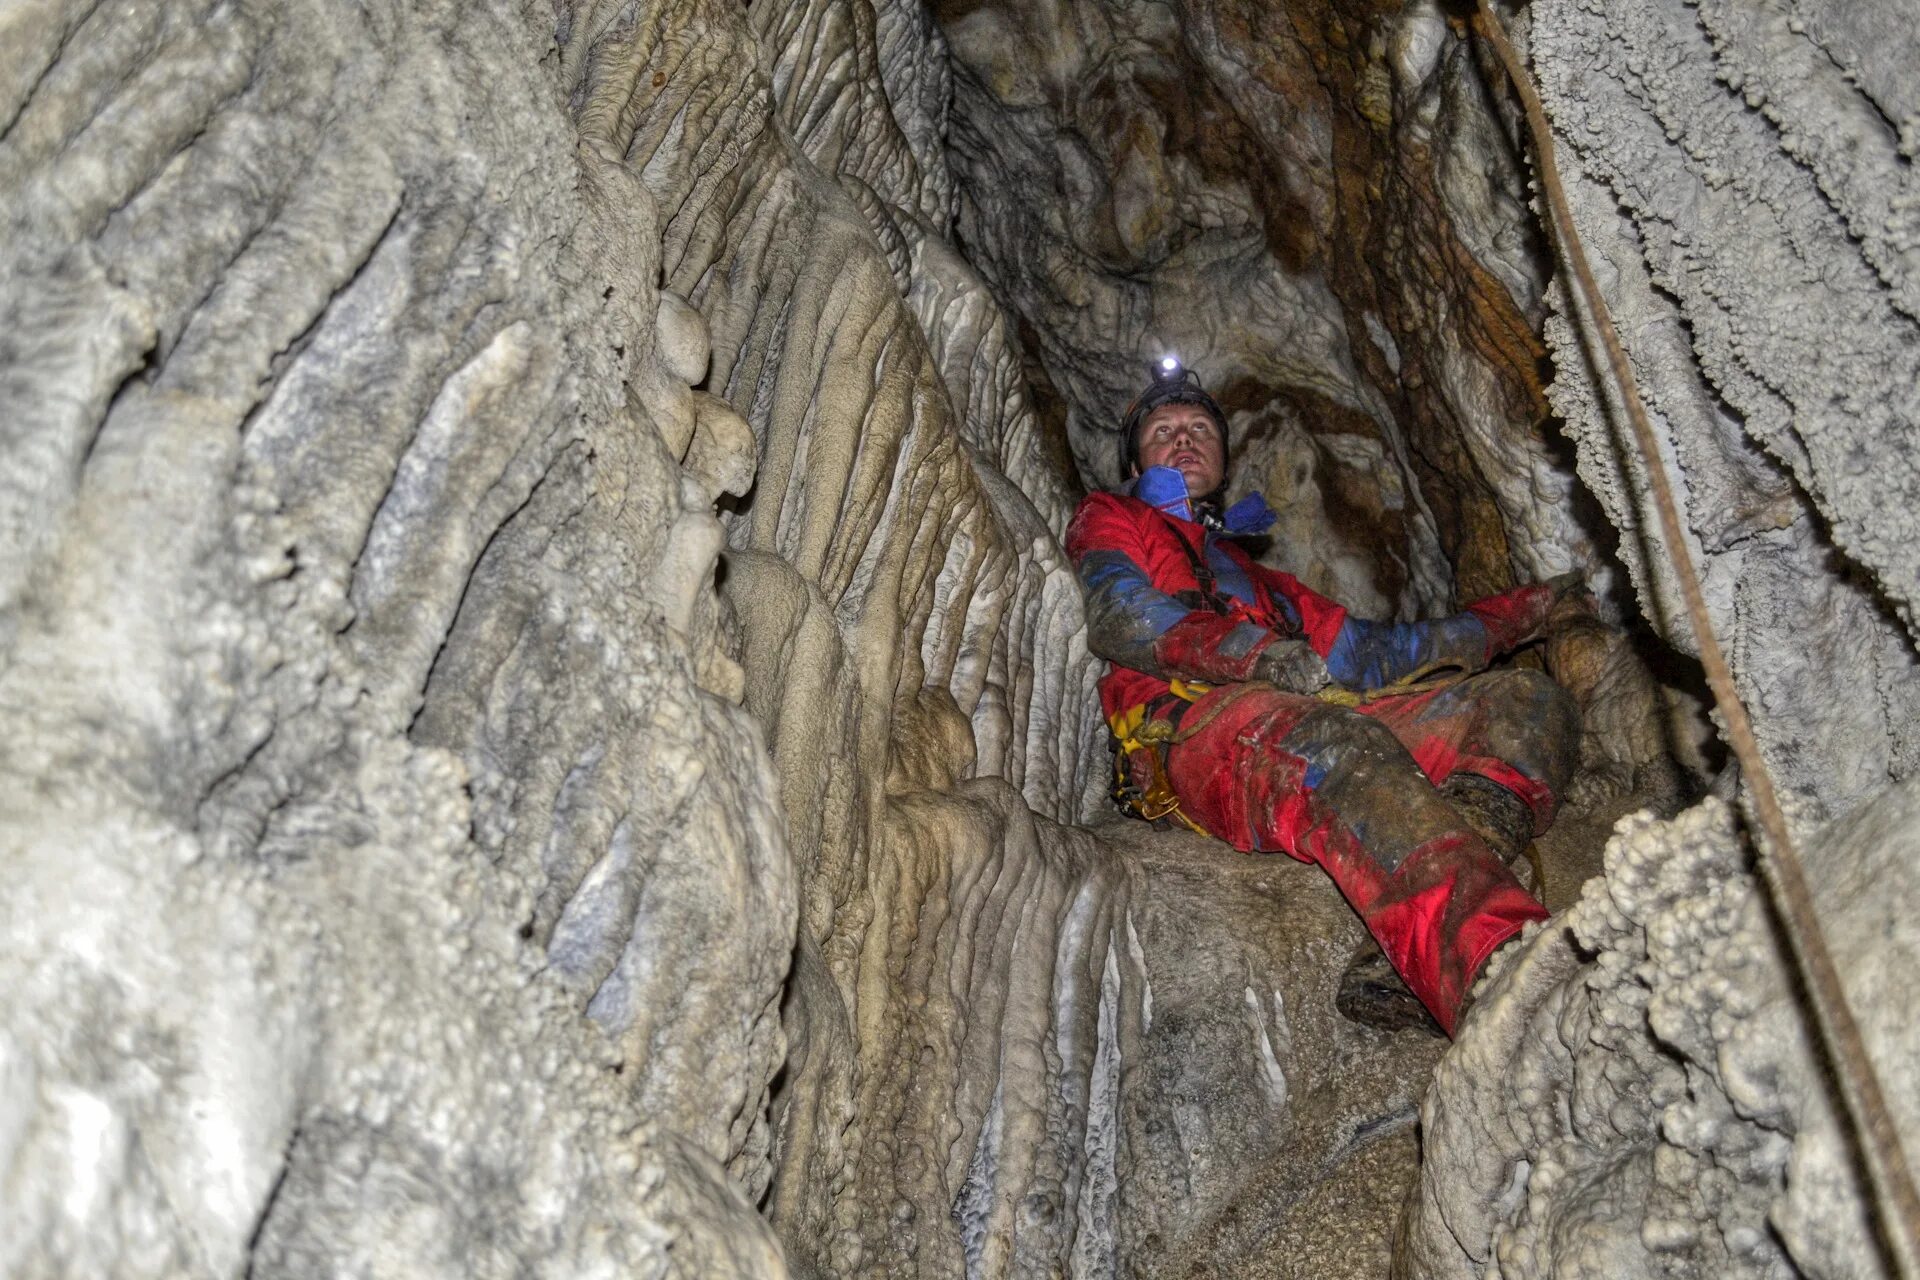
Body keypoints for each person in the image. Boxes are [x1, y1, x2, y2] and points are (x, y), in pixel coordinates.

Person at [1066, 359, 1586, 1035]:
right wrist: (1253, 654)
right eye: (1164, 429)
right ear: (1136, 461)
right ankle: (1509, 982)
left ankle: (1411, 949)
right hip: (1198, 728)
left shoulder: (1261, 581)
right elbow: (1121, 613)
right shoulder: (1112, 517)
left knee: (1526, 704)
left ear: (1224, 461)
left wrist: (1526, 611)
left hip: (1311, 713)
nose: (1185, 437)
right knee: (1338, 746)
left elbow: (1379, 654)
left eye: (1201, 428)